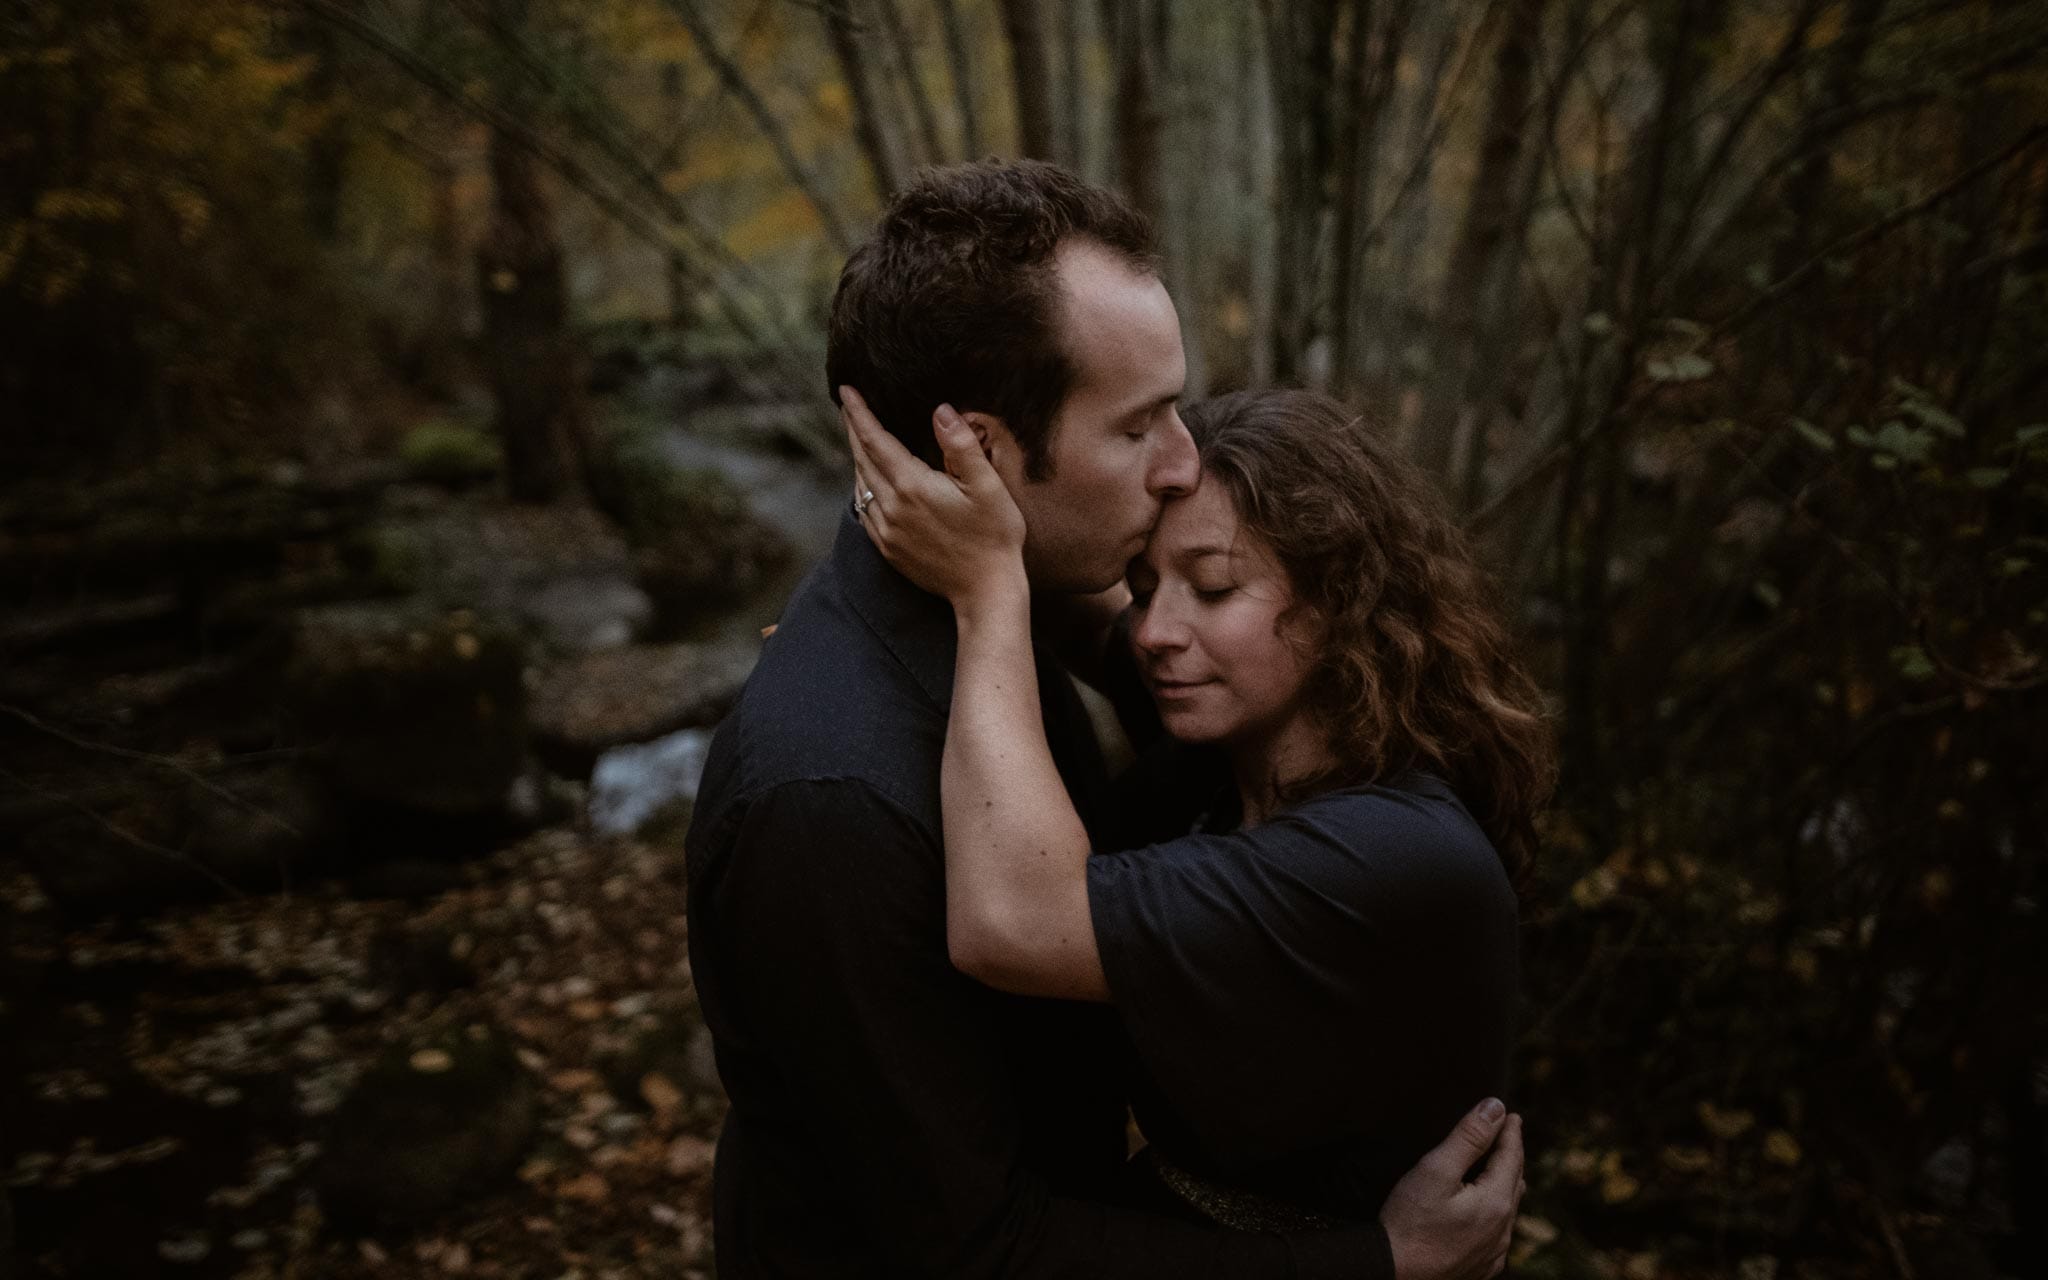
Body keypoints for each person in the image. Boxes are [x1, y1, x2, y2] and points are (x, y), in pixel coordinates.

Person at [685, 159, 1524, 1279]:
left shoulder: (1018, 611)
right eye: (1139, 426)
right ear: (978, 454)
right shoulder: (833, 794)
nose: (1180, 463)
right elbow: (975, 1252)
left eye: (1176, 410)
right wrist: (1374, 1260)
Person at [844, 384, 1553, 1247]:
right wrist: (990, 504)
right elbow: (1091, 614)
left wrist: (987, 587)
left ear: (1342, 601)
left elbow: (1012, 924)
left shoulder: (1388, 855)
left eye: (1213, 587)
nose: (1155, 632)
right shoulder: (1232, 749)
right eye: (1149, 587)